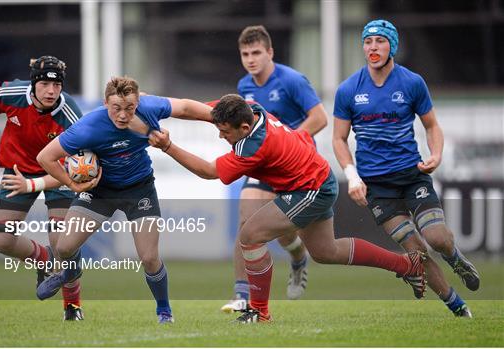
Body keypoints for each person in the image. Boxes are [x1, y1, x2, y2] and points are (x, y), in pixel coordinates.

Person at [149, 94, 426, 323]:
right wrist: (146, 102)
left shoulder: (252, 146)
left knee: (250, 235)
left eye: (224, 132)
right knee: (326, 252)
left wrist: (168, 146)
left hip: (310, 189)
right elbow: (187, 107)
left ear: (243, 129)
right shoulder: (250, 110)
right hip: (316, 178)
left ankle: (259, 312)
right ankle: (405, 264)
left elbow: (210, 172)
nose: (221, 137)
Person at [34, 76, 213, 324]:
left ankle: (164, 311)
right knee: (63, 248)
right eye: (116, 108)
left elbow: (184, 107)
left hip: (139, 189)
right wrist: (73, 184)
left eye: (129, 108)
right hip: (100, 191)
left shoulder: (149, 109)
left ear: (138, 103)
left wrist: (216, 117)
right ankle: (72, 270)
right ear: (105, 102)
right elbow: (45, 158)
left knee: (149, 258)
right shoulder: (88, 128)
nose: (122, 115)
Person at [332, 19, 479, 318]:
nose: (373, 47)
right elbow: (338, 138)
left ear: (392, 46)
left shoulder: (412, 82)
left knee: (437, 238)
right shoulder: (348, 89)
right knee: (417, 252)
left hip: (412, 178)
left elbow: (431, 125)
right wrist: (352, 176)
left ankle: (456, 258)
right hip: (377, 189)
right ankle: (457, 306)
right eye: (368, 42)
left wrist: (435, 154)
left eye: (380, 41)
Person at [219, 25, 330, 312]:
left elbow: (319, 118)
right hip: (262, 167)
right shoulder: (244, 86)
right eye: (245, 54)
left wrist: (291, 140)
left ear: (270, 52)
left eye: (256, 52)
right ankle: (242, 295)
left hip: (295, 169)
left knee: (284, 235)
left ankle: (297, 258)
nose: (250, 59)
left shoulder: (292, 80)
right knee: (245, 222)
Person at [0, 55, 86, 321]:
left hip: (58, 172)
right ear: (33, 84)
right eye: (45, 83)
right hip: (18, 169)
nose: (51, 91)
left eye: (57, 85)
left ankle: (73, 306)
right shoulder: (11, 94)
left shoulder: (70, 113)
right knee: (3, 240)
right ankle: (44, 261)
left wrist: (32, 184)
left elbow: (72, 172)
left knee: (63, 245)